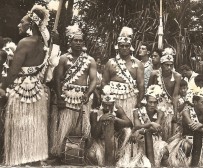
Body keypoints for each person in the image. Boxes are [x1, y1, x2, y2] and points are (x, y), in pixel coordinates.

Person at [0, 5, 59, 166]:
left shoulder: (25, 42)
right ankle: (34, 160)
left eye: (22, 22)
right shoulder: (45, 45)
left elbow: (13, 72)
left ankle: (19, 159)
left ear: (31, 25)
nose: (19, 25)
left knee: (19, 125)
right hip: (37, 91)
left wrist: (3, 87)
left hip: (21, 90)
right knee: (34, 126)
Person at [50, 25, 97, 159]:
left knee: (80, 128)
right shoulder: (64, 59)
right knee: (63, 126)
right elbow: (57, 79)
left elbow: (93, 80)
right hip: (66, 96)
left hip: (82, 98)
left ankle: (78, 153)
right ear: (70, 42)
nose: (78, 43)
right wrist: (59, 97)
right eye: (75, 40)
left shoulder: (90, 60)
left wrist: (87, 94)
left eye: (80, 41)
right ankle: (59, 152)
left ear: (83, 43)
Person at [118, 85, 168, 167]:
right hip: (140, 138)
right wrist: (150, 123)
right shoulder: (137, 112)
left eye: (155, 102)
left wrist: (145, 127)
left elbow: (154, 129)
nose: (152, 105)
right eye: (150, 102)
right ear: (146, 101)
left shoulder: (160, 113)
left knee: (164, 152)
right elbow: (137, 126)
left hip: (154, 139)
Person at [102, 26, 144, 121]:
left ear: (130, 47)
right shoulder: (110, 63)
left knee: (129, 128)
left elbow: (141, 85)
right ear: (118, 47)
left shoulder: (138, 64)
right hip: (113, 100)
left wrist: (139, 102)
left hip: (130, 100)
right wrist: (108, 96)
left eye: (127, 46)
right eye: (122, 46)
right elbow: (104, 82)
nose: (124, 48)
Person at [167, 88, 203, 167]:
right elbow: (192, 126)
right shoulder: (186, 112)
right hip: (186, 139)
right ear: (195, 102)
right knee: (188, 146)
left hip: (201, 139)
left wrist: (202, 125)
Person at [86, 85, 132, 166]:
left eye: (109, 105)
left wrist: (116, 119)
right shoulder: (94, 113)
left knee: (127, 132)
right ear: (102, 103)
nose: (107, 107)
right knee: (91, 155)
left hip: (116, 141)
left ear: (113, 103)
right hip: (100, 142)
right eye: (105, 105)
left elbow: (129, 123)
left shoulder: (118, 109)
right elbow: (94, 135)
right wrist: (100, 121)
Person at [148, 47, 181, 140]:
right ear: (161, 64)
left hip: (169, 107)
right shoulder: (154, 74)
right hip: (156, 106)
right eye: (167, 65)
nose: (169, 67)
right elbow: (149, 91)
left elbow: (175, 96)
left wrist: (175, 113)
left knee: (168, 133)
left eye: (171, 65)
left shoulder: (177, 76)